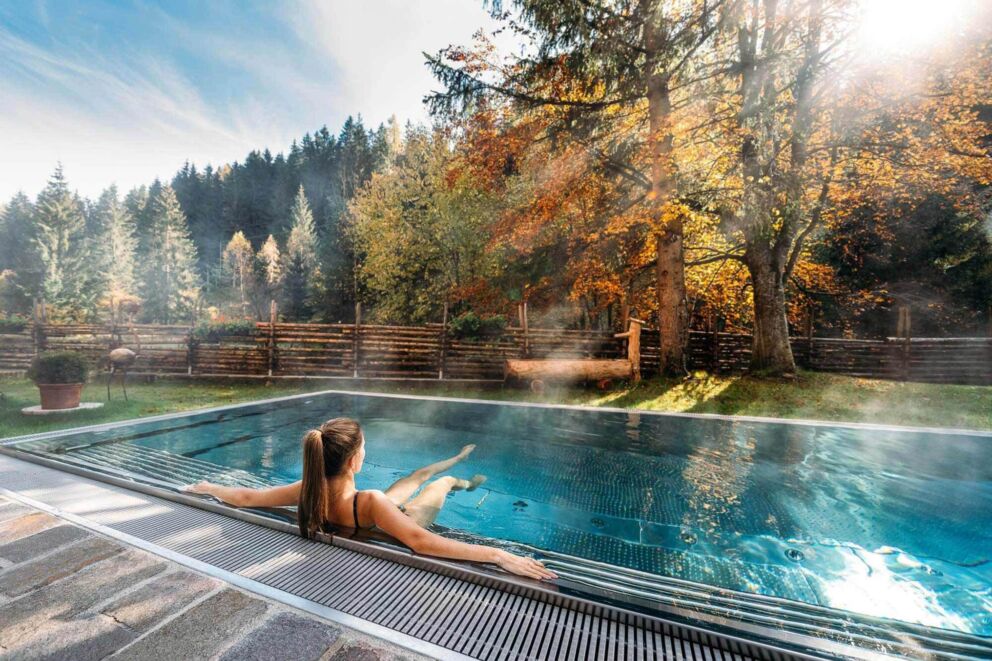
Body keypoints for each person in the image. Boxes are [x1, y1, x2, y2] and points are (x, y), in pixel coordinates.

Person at [184, 417, 556, 581]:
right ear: (353, 460)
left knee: (412, 477)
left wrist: (209, 489)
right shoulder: (373, 500)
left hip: (370, 507)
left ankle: (458, 459)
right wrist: (497, 554)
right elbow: (421, 541)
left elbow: (249, 497)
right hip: (397, 516)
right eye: (364, 447)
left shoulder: (307, 489)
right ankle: (465, 478)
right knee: (436, 484)